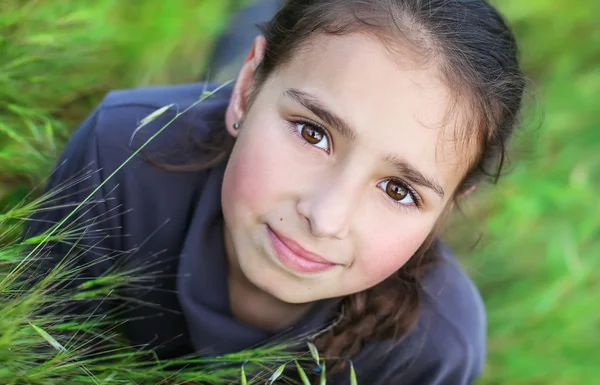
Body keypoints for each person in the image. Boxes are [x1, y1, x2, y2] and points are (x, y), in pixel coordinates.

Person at [23, 0, 526, 383]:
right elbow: (35, 354)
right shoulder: (120, 153)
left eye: (398, 189)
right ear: (247, 89)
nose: (325, 217)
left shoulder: (436, 348)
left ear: (448, 209)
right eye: (313, 133)